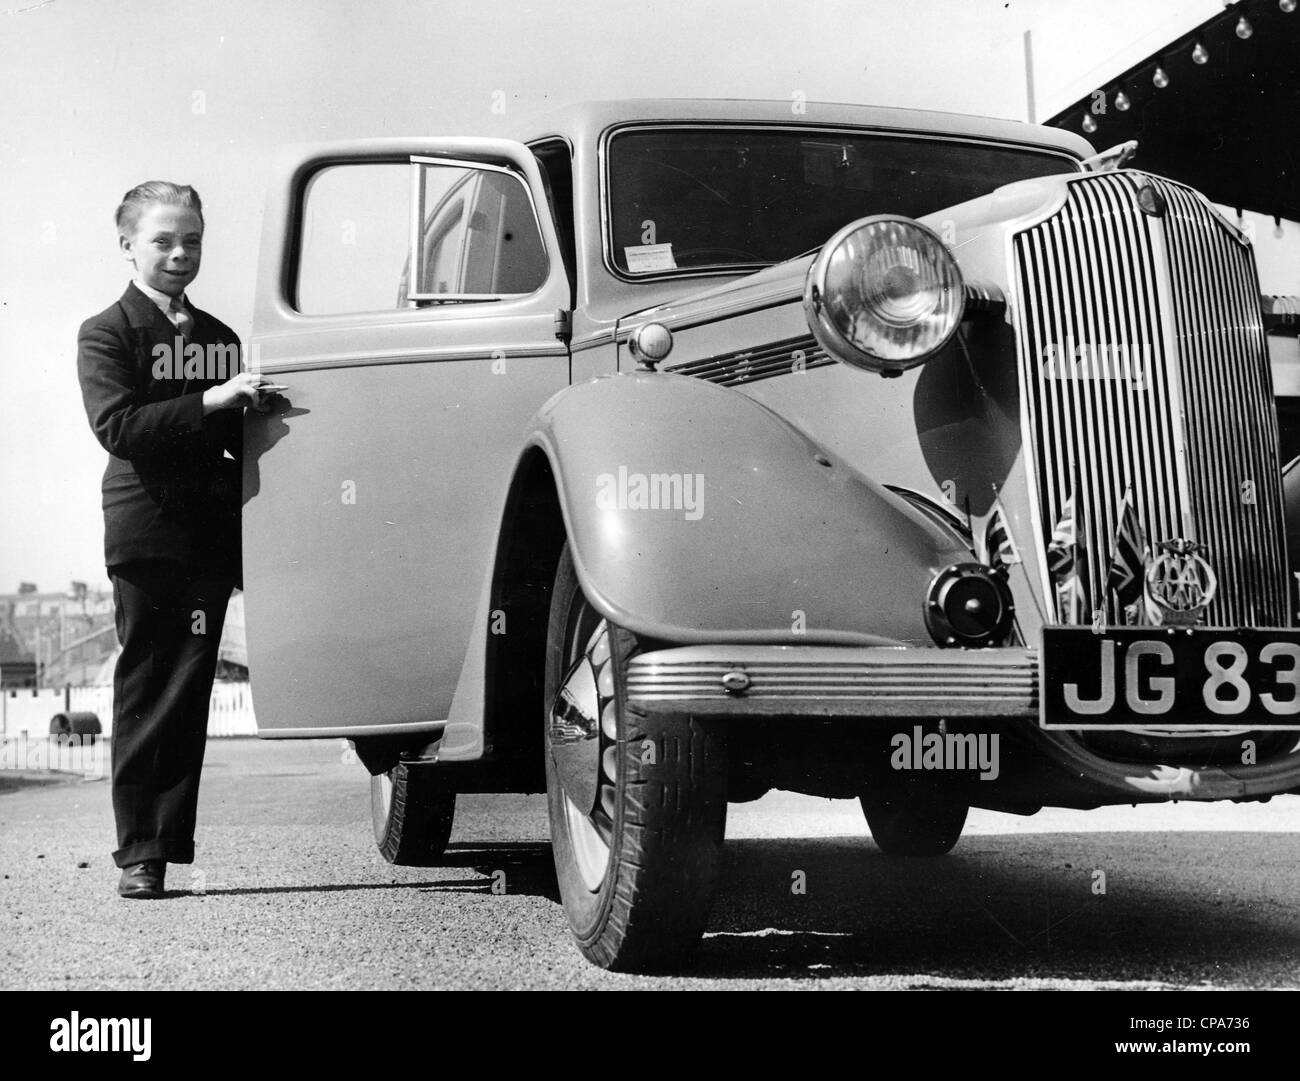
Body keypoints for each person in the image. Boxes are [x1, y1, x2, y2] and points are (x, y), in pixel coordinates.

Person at [77, 181, 278, 898]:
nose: (179, 253)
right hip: (146, 531)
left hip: (208, 534)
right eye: (163, 240)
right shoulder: (106, 332)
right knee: (145, 684)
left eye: (191, 239)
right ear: (127, 243)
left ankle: (160, 846)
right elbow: (120, 429)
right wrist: (214, 399)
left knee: (188, 690)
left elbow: (239, 438)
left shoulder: (220, 338)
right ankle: (139, 852)